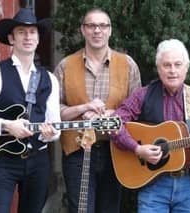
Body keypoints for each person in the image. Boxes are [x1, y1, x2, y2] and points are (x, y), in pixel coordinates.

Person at [0, 8, 61, 213]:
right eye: (21, 32)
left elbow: (56, 127)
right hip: (2, 161)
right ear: (11, 38)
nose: (28, 37)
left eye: (32, 32)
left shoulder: (50, 79)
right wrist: (6, 125)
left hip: (38, 160)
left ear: (38, 38)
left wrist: (49, 134)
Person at [111, 38, 190, 213]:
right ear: (158, 68)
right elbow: (115, 123)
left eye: (178, 64)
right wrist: (137, 149)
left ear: (186, 67)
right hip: (152, 183)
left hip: (189, 185)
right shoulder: (142, 95)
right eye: (166, 65)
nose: (173, 70)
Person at [53, 8, 141, 213]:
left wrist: (115, 115)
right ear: (83, 30)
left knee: (110, 208)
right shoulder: (65, 66)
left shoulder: (128, 65)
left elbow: (137, 110)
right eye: (91, 25)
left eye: (103, 25)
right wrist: (82, 109)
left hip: (115, 150)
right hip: (77, 152)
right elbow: (53, 110)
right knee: (81, 209)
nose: (97, 30)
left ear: (110, 30)